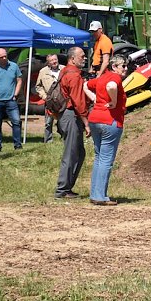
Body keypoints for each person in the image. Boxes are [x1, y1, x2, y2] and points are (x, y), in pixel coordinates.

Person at [85, 54, 128, 206]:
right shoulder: (114, 78)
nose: (126, 68)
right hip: (110, 121)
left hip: (95, 119)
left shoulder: (102, 76)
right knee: (105, 160)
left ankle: (95, 193)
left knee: (98, 158)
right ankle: (100, 196)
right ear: (115, 67)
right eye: (123, 65)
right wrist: (114, 101)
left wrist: (94, 98)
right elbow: (112, 87)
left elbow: (86, 85)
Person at [55, 46, 90, 199]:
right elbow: (78, 101)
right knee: (71, 153)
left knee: (78, 153)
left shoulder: (64, 71)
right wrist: (86, 123)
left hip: (65, 115)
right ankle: (62, 189)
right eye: (82, 56)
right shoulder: (74, 76)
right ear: (72, 58)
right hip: (71, 116)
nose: (85, 58)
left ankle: (66, 188)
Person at [0, 48, 23, 152]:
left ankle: (18, 145)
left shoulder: (14, 66)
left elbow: (19, 80)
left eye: (5, 56)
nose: (4, 58)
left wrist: (15, 94)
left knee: (17, 122)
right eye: (2, 57)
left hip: (11, 100)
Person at [34, 54, 61, 143]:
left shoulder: (64, 69)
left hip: (62, 100)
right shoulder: (43, 71)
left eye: (55, 59)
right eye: (52, 60)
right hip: (49, 100)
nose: (54, 61)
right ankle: (48, 140)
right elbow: (38, 86)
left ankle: (64, 138)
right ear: (48, 63)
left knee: (63, 120)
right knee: (48, 122)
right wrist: (44, 97)